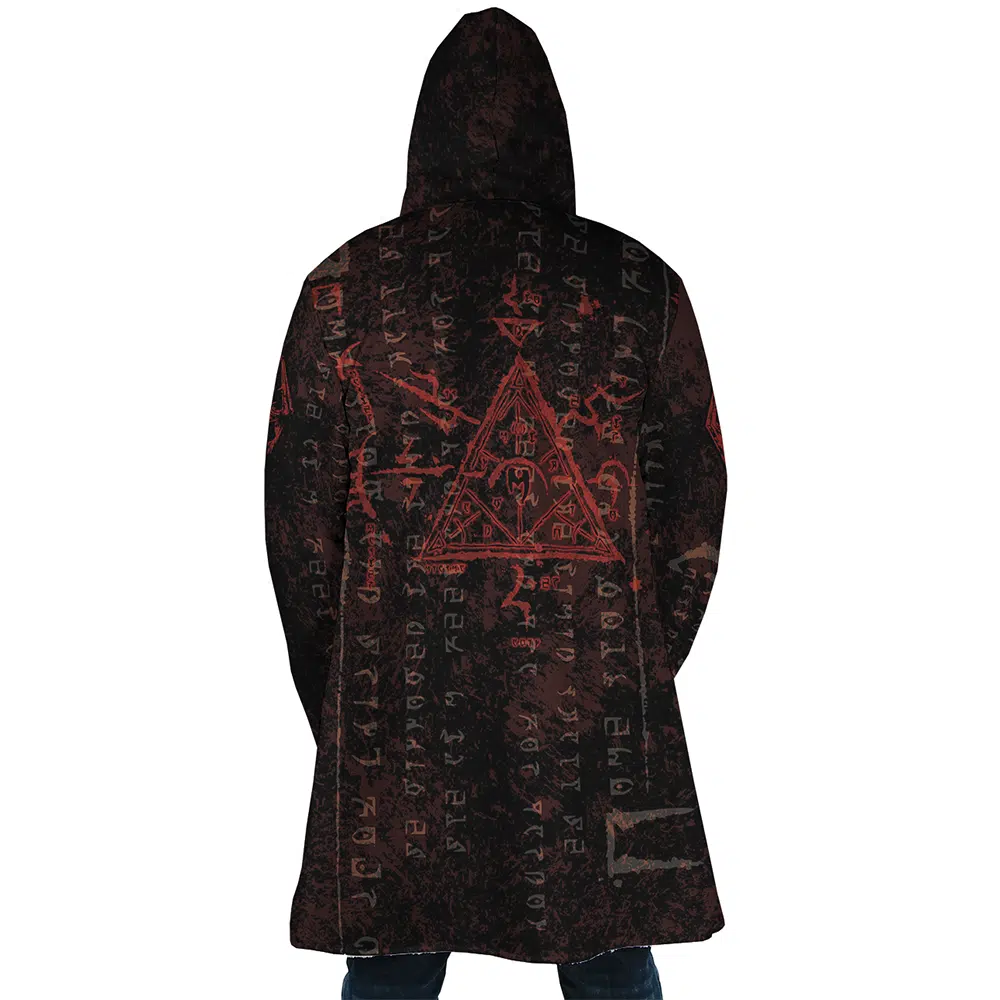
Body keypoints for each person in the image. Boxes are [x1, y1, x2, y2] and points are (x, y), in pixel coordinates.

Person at [264, 8, 727, 999]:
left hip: (402, 720)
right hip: (589, 713)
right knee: (609, 950)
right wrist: (624, 673)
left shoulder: (344, 292)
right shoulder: (638, 289)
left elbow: (299, 538)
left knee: (392, 962)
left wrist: (347, 704)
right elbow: (692, 520)